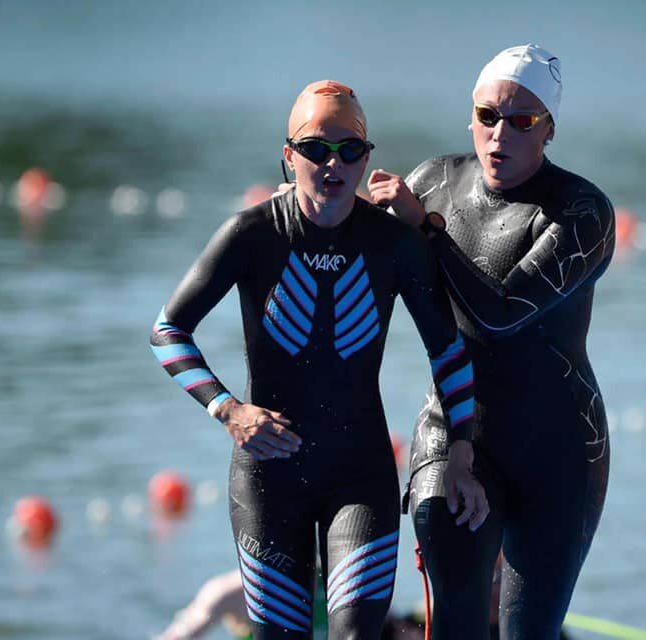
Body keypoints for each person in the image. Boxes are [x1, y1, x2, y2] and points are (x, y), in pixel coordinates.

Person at [150, 80, 488, 640]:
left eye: (349, 150)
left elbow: (448, 352)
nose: (332, 163)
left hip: (361, 477)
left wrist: (460, 452)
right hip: (268, 480)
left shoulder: (393, 245)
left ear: (365, 160)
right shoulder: (251, 234)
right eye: (314, 149)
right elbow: (168, 332)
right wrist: (230, 411)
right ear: (289, 156)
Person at [366, 44, 615, 639]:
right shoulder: (435, 181)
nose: (500, 133)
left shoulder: (582, 211)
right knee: (455, 625)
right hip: (451, 431)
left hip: (557, 451)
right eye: (487, 116)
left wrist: (424, 228)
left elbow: (501, 312)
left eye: (522, 121)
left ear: (549, 129)